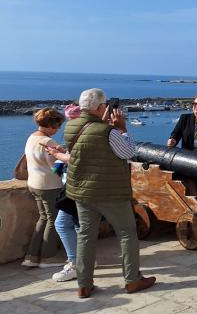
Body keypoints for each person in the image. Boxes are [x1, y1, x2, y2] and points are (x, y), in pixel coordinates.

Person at [65, 88, 155, 298]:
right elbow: (129, 152)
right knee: (127, 234)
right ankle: (132, 280)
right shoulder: (108, 131)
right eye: (105, 105)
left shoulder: (71, 126)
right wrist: (122, 129)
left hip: (82, 192)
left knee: (86, 236)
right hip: (110, 192)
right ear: (100, 107)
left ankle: (84, 284)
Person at [42, 104, 84, 281]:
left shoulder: (80, 133)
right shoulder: (87, 131)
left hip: (76, 187)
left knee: (61, 224)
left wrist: (57, 154)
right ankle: (84, 260)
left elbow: (76, 159)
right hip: (79, 186)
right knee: (77, 225)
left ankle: (76, 264)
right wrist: (62, 151)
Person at [22, 108, 67, 269]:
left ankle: (31, 256)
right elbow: (56, 169)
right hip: (49, 186)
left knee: (43, 218)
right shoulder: (49, 142)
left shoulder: (32, 137)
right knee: (53, 220)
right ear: (50, 125)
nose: (58, 129)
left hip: (34, 184)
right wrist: (63, 155)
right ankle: (48, 257)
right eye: (57, 126)